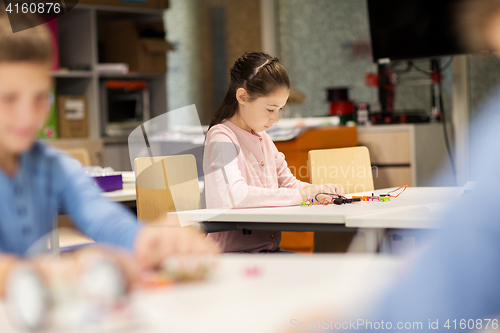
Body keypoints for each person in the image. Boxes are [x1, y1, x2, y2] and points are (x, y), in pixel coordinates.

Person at [0, 10, 219, 294]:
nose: (28, 116)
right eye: (9, 98)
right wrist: (28, 273)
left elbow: (102, 216)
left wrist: (150, 241)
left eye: (41, 97)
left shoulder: (52, 165)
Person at [203, 52, 344, 253]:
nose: (275, 119)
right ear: (242, 96)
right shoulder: (221, 137)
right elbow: (235, 196)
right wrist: (302, 195)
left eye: (280, 110)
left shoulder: (263, 138)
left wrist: (317, 191)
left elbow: (290, 185)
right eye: (270, 109)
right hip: (232, 256)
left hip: (266, 251)